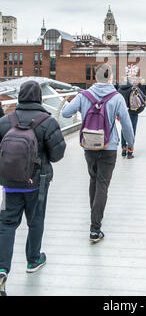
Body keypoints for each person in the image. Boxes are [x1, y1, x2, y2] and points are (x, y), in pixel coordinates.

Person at [0, 80, 66, 297]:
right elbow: (57, 155)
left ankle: (1, 269)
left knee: (7, 224)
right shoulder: (47, 121)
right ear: (39, 97)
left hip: (10, 183)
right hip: (37, 183)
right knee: (35, 220)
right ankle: (33, 259)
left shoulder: (5, 121)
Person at [62, 64, 134, 244]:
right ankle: (95, 228)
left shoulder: (83, 95)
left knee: (93, 180)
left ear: (95, 77)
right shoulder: (116, 97)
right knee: (102, 184)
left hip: (89, 145)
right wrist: (130, 144)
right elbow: (126, 124)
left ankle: (95, 215)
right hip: (109, 147)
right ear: (110, 79)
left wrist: (81, 107)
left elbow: (64, 113)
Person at [118, 78, 143, 159]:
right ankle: (130, 152)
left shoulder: (119, 90)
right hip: (133, 112)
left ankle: (123, 147)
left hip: (123, 112)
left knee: (123, 129)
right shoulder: (134, 88)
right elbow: (142, 98)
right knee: (132, 130)